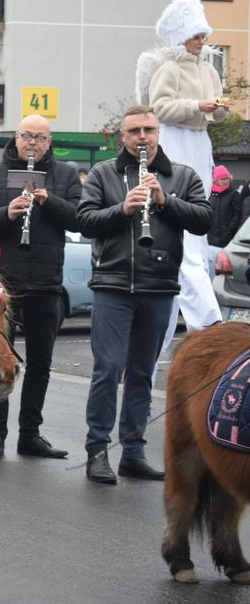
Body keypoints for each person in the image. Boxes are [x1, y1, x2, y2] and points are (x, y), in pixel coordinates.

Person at [77, 106, 211, 484]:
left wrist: (165, 201)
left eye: (148, 130)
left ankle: (133, 451)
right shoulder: (105, 173)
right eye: (134, 130)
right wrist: (122, 209)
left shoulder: (181, 176)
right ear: (123, 137)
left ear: (158, 134)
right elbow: (84, 221)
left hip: (159, 285)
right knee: (107, 370)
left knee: (142, 373)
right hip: (112, 285)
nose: (142, 137)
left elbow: (204, 219)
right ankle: (97, 451)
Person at [0, 114, 82, 460]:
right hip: (3, 285)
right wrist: (8, 213)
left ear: (49, 143)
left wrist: (50, 202)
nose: (32, 143)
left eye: (40, 138)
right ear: (16, 138)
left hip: (46, 282)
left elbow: (80, 217)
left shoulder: (63, 175)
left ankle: (30, 433)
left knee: (41, 363)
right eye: (26, 136)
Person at [146, 0, 225, 346]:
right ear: (182, 35)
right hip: (176, 141)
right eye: (195, 35)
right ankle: (209, 325)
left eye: (203, 35)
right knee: (187, 236)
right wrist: (198, 105)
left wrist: (218, 108)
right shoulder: (169, 68)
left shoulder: (209, 68)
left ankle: (172, 334)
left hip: (199, 143)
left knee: (195, 224)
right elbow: (159, 107)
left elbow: (218, 114)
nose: (201, 41)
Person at [208, 165, 241, 248]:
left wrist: (229, 230)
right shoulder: (210, 194)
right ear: (216, 180)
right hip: (210, 238)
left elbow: (237, 215)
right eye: (222, 179)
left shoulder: (234, 194)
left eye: (226, 178)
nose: (225, 181)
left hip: (226, 238)